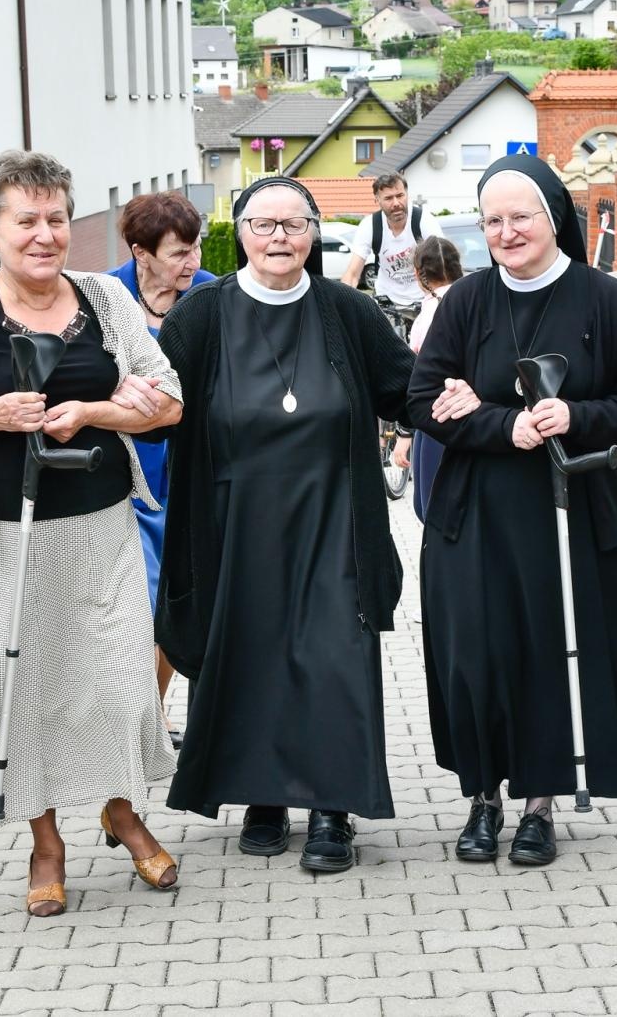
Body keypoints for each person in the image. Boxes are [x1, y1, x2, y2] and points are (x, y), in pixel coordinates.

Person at [152, 176, 464, 873]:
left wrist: (465, 401)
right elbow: (157, 405)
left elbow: (405, 388)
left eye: (294, 225)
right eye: (264, 225)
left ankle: (331, 808)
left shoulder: (346, 310)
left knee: (333, 656)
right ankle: (264, 796)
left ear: (314, 234)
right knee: (250, 654)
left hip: (334, 517)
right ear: (242, 234)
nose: (279, 239)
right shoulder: (201, 316)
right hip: (235, 523)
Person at [0, 149, 183, 914]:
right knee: (27, 694)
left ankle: (122, 811)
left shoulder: (105, 299)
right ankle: (46, 845)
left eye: (56, 218)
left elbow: (169, 398)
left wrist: (96, 411)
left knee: (120, 687)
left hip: (105, 528)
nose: (45, 234)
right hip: (6, 538)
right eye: (26, 220)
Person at [407, 154, 617, 866]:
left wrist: (575, 415)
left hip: (569, 509)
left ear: (553, 217)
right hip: (476, 510)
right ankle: (484, 799)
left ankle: (539, 804)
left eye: (521, 217)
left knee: (549, 651)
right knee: (478, 656)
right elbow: (422, 399)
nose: (506, 233)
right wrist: (500, 425)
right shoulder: (466, 301)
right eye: (493, 221)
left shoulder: (603, 298)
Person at [106, 192, 215, 750]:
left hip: (194, 473)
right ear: (140, 253)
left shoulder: (212, 294)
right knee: (140, 606)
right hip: (127, 475)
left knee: (175, 601)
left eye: (195, 248)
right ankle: (137, 723)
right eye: (178, 253)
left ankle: (151, 716)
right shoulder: (105, 297)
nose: (191, 262)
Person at [391, 235, 462, 522]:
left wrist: (404, 434)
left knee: (428, 507)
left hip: (435, 415)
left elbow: (416, 377)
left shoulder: (429, 313)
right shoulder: (472, 298)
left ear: (419, 274)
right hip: (471, 413)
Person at [340, 172, 443, 307]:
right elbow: (352, 274)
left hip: (424, 298)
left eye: (400, 196)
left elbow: (443, 262)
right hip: (386, 300)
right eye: (388, 198)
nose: (396, 203)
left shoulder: (424, 220)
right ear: (377, 200)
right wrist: (342, 304)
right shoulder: (369, 225)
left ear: (407, 194)